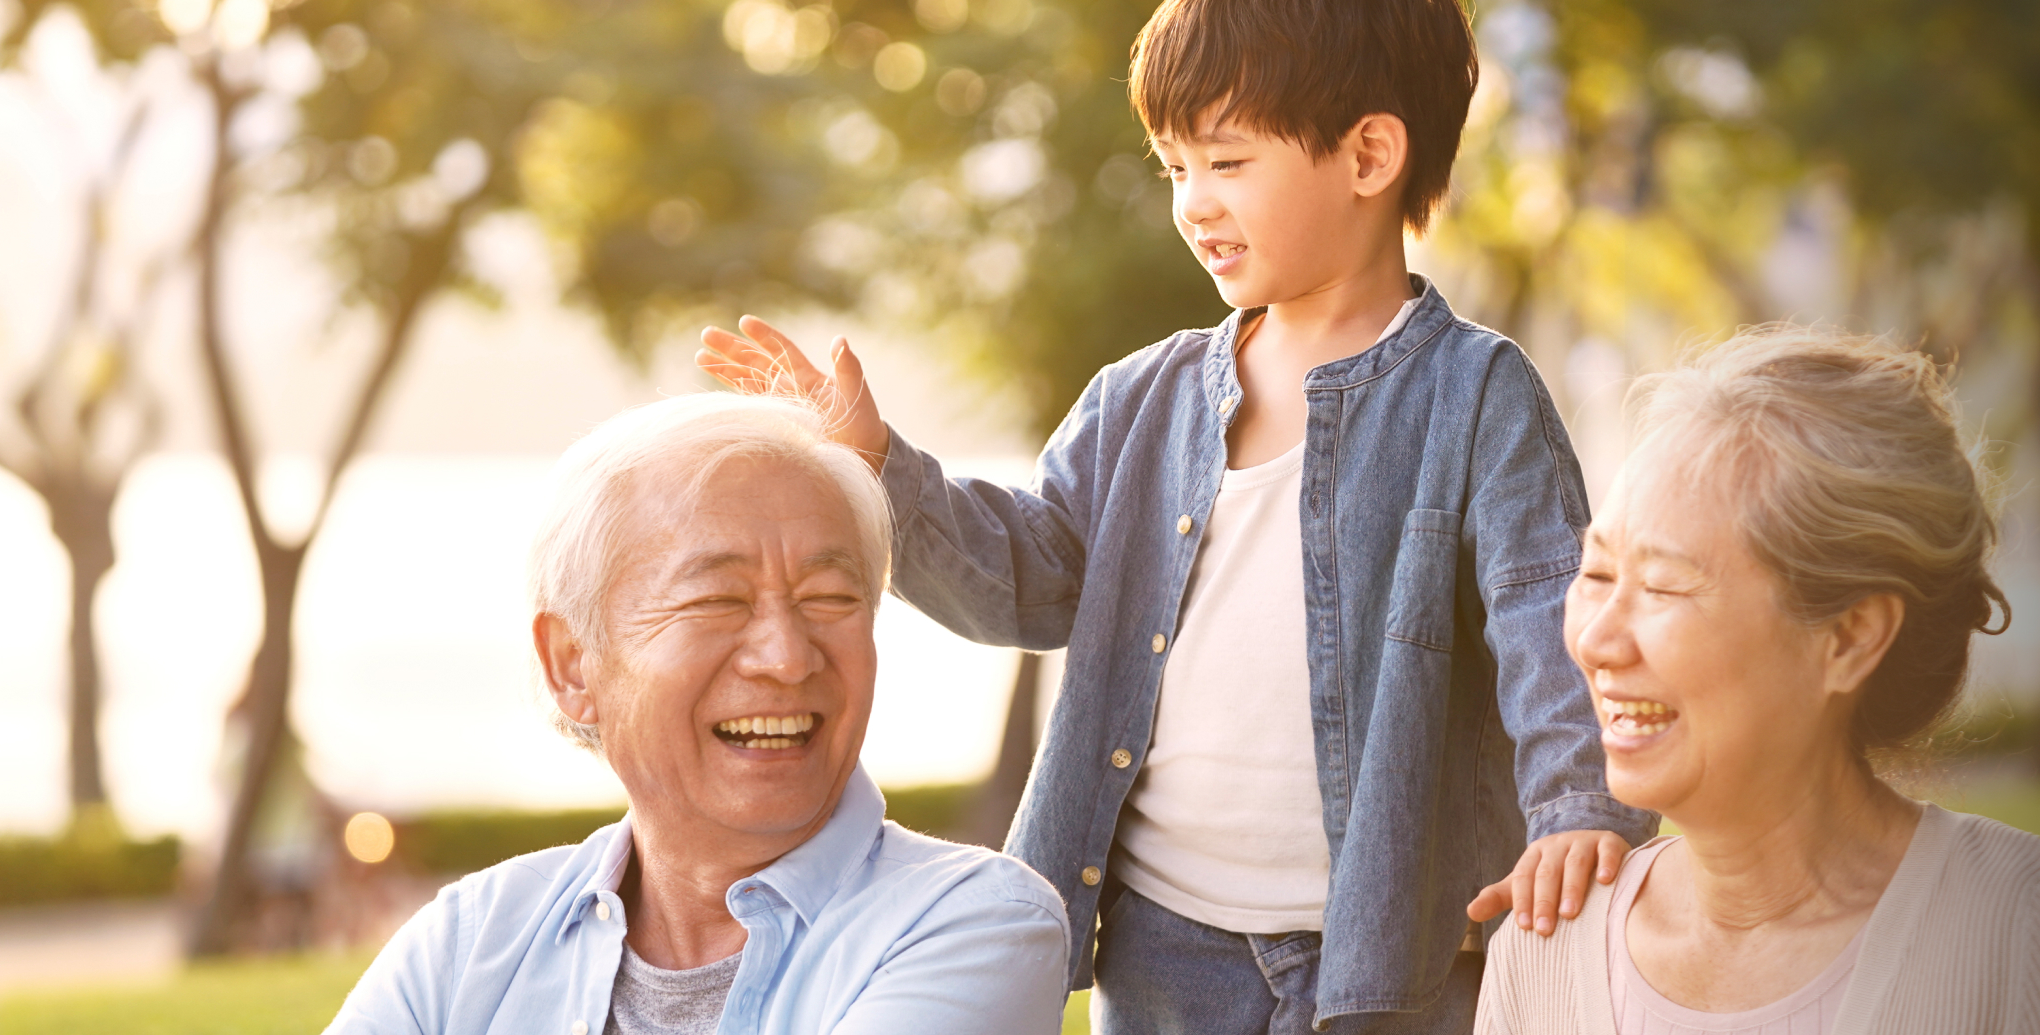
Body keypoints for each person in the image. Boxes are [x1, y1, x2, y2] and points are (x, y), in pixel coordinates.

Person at [691, 1, 1651, 1030]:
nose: (1193, 203)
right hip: (1162, 951)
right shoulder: (1139, 400)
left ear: (1370, 154)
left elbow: (1551, 622)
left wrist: (1579, 808)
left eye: (1227, 163)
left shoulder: (1477, 395)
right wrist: (878, 465)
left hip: (1391, 954)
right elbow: (1028, 575)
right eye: (1174, 168)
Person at [1473, 330, 2040, 1035]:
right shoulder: (1544, 956)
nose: (1594, 640)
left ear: (1849, 637)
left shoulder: (2031, 933)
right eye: (1596, 575)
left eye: (1662, 586)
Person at [326, 393, 1067, 1035]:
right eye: (718, 599)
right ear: (572, 665)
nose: (786, 656)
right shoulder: (473, 936)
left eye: (829, 598)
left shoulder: (976, 923)